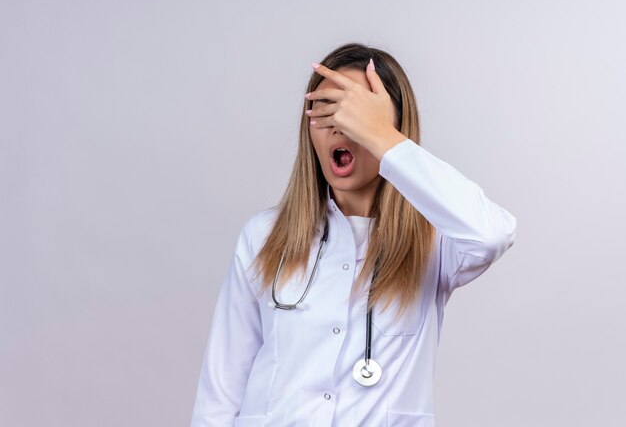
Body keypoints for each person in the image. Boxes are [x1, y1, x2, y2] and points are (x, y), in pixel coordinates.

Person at [190, 42, 517, 426]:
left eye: (355, 113)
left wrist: (382, 137)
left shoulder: (436, 241)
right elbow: (220, 394)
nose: (338, 126)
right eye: (326, 110)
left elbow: (492, 235)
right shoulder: (263, 237)